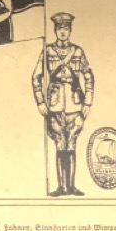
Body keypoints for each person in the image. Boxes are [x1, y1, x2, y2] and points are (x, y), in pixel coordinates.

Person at [32, 12, 94, 197]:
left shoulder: (78, 52)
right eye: (60, 28)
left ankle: (72, 186)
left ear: (70, 30)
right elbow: (36, 77)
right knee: (60, 143)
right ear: (55, 30)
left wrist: (88, 102)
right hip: (55, 105)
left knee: (71, 143)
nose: (63, 32)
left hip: (75, 105)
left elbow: (88, 76)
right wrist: (40, 102)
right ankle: (61, 187)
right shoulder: (48, 51)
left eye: (66, 28)